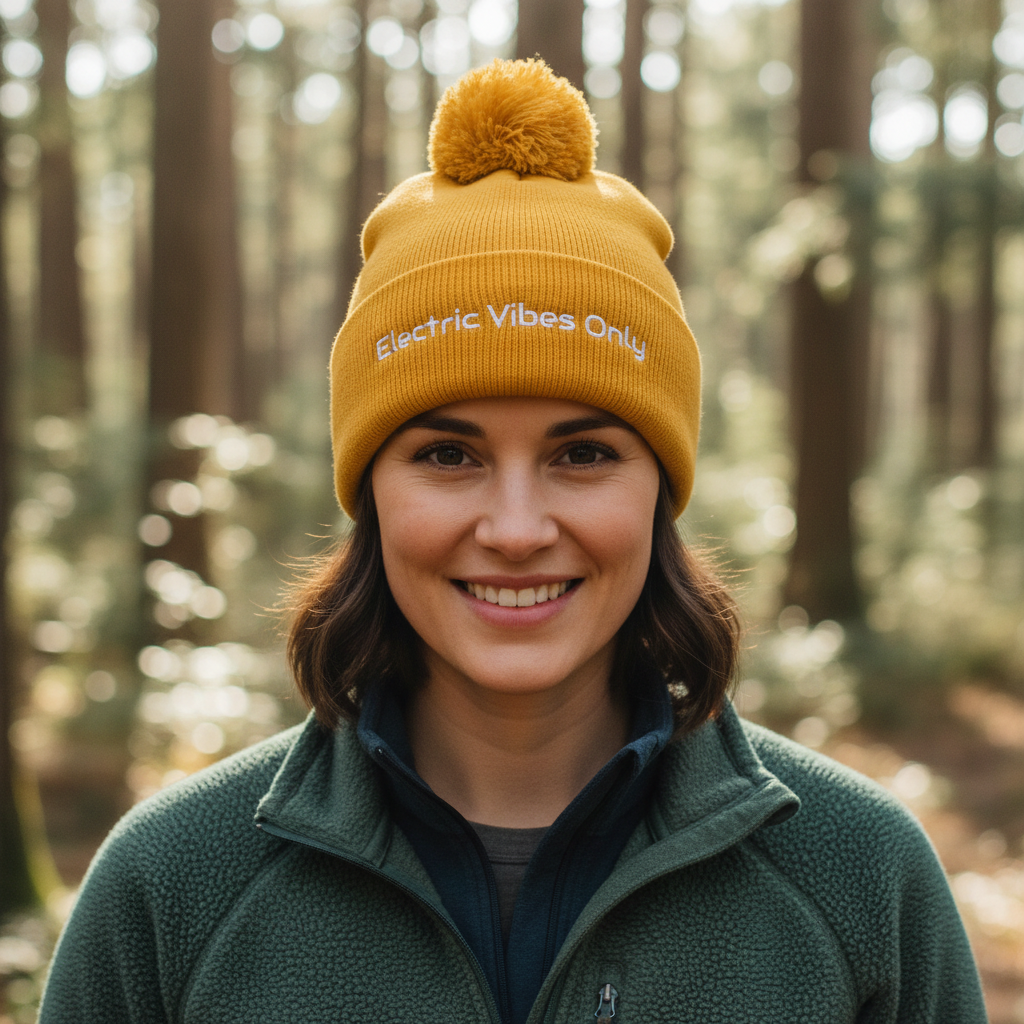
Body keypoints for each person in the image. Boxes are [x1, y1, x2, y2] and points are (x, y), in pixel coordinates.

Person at [40, 59, 985, 1024]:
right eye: (448, 453)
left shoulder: (863, 881)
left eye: (582, 453)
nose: (519, 529)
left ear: (661, 486)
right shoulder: (169, 891)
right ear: (369, 491)